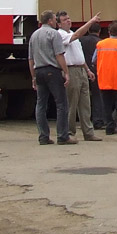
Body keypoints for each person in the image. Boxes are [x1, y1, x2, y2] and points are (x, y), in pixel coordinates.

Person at [28, 10, 77, 145]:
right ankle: (62, 136)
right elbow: (59, 55)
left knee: (41, 104)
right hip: (52, 70)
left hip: (39, 70)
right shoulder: (53, 34)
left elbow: (31, 59)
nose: (56, 22)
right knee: (61, 103)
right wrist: (66, 72)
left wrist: (33, 77)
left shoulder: (34, 35)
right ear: (49, 21)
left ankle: (43, 136)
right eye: (55, 19)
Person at [56, 10, 102, 142]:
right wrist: (91, 22)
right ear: (59, 24)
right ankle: (69, 131)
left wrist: (87, 70)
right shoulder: (61, 35)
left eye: (69, 18)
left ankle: (88, 132)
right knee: (72, 103)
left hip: (81, 69)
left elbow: (79, 54)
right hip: (71, 70)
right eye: (65, 20)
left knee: (85, 103)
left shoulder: (71, 34)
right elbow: (77, 34)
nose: (68, 21)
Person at [92, 22, 117, 135]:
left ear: (109, 32)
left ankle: (109, 128)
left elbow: (93, 60)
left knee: (107, 105)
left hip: (104, 79)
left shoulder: (100, 44)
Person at [79, 22, 107, 129]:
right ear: (99, 31)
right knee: (97, 96)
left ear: (88, 31)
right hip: (96, 71)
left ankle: (84, 120)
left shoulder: (80, 40)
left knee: (82, 97)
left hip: (82, 69)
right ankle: (98, 120)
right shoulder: (101, 43)